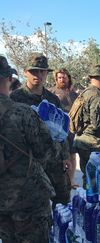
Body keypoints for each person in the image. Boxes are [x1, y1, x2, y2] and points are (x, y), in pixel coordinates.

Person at [0, 56, 61, 242]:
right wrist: (56, 138)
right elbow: (47, 153)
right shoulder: (23, 112)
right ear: (10, 78)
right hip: (30, 199)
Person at [10, 53, 71, 207]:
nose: (38, 75)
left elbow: (62, 131)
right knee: (33, 210)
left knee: (62, 201)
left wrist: (65, 156)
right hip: (29, 163)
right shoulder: (15, 99)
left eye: (42, 71)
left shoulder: (52, 99)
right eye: (34, 71)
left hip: (54, 160)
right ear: (25, 72)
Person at [49, 68, 79, 188]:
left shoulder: (74, 93)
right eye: (59, 77)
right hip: (56, 130)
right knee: (57, 157)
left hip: (71, 130)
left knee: (72, 155)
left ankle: (70, 181)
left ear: (68, 78)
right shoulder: (51, 92)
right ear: (56, 79)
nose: (62, 80)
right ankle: (56, 183)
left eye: (64, 77)